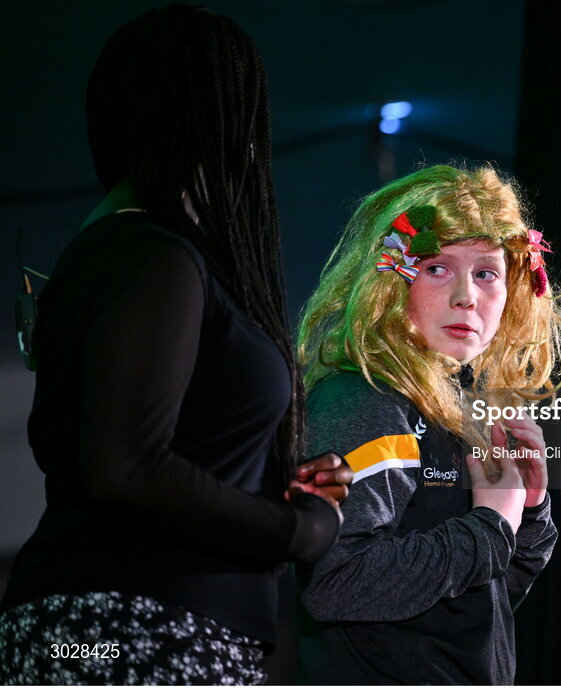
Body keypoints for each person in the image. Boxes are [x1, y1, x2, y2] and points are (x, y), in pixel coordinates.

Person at [0, 5, 350, 685]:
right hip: (134, 630)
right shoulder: (152, 256)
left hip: (118, 629)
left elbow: (147, 449)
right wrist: (299, 532)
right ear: (217, 115)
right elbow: (126, 469)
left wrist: (268, 482)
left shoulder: (129, 252)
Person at [293, 164, 561, 684]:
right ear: (389, 280)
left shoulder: (459, 408)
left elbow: (474, 600)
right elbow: (336, 582)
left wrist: (527, 515)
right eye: (438, 267)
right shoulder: (367, 398)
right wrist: (490, 526)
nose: (467, 295)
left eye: (486, 274)